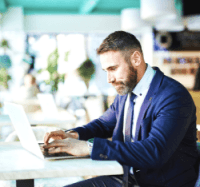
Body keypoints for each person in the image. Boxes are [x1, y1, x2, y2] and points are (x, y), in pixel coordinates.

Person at [43, 31, 198, 187]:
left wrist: (88, 147)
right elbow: (103, 124)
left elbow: (154, 151)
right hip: (129, 178)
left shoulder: (173, 96)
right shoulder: (126, 90)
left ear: (136, 59)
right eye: (106, 71)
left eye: (113, 69)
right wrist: (72, 135)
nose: (109, 79)